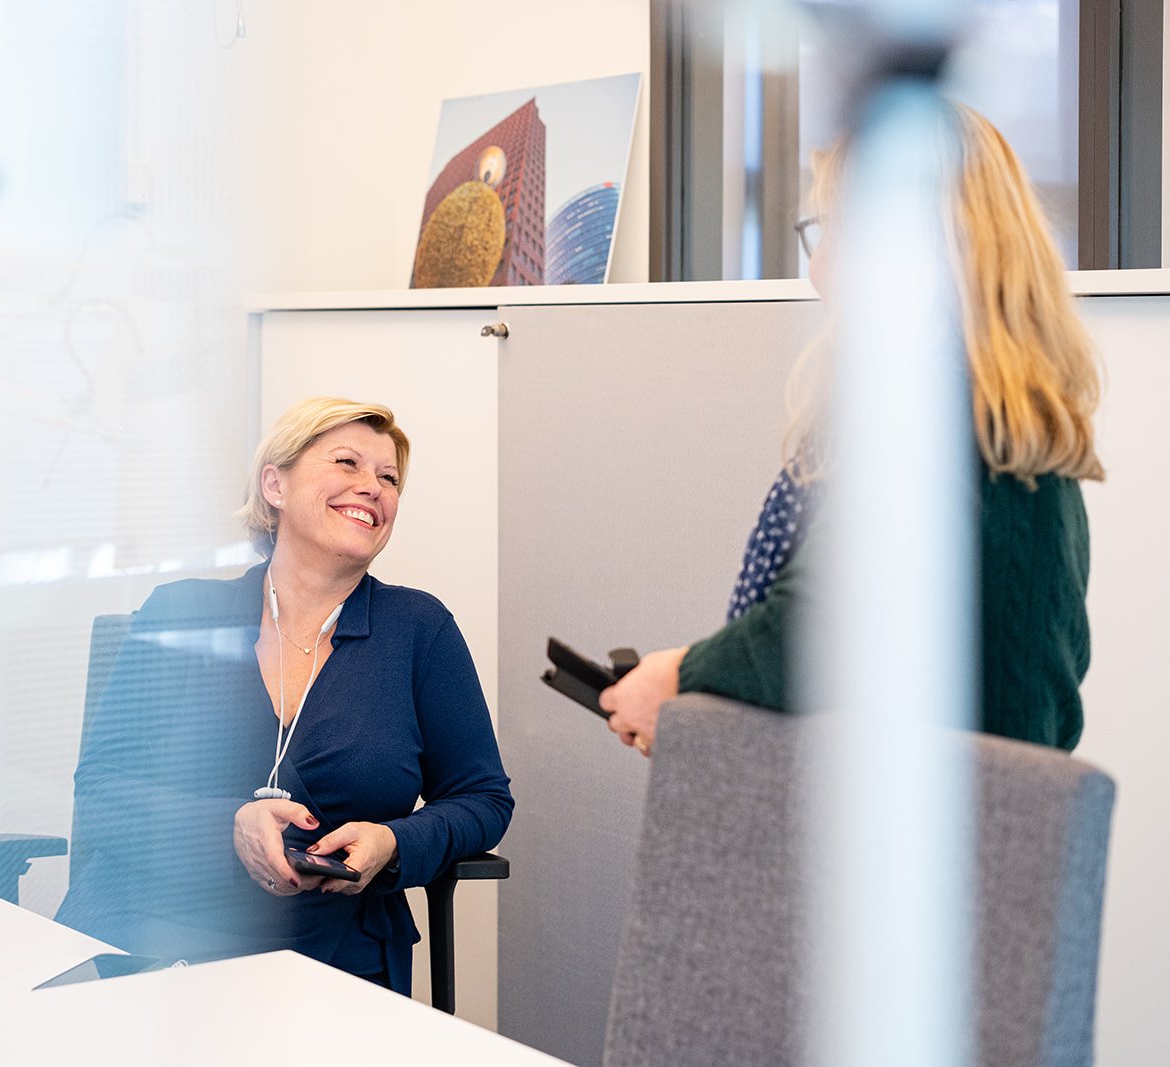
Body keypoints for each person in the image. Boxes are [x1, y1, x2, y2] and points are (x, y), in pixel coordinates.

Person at [600, 103, 1103, 756]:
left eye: (832, 228)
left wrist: (677, 677)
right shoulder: (1016, 428)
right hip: (1001, 826)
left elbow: (817, 628)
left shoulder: (928, 415)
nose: (818, 269)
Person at [55, 397, 513, 994]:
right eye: (347, 463)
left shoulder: (419, 629)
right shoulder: (182, 612)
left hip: (332, 954)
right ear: (275, 483)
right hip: (154, 941)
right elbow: (102, 791)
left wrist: (394, 841)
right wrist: (230, 826)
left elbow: (483, 798)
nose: (371, 486)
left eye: (389, 477)